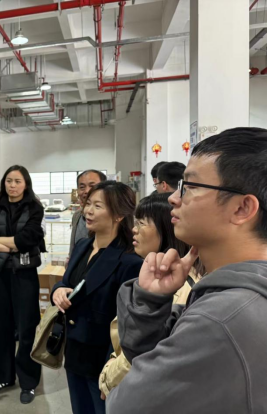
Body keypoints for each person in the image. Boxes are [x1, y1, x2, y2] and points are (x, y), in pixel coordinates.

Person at [108, 127, 267, 413]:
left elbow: (124, 406)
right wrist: (151, 301)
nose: (173, 197)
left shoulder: (222, 319)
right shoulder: (232, 297)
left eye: (190, 187)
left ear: (242, 208)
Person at [98, 193, 202, 399]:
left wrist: (108, 379)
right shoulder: (155, 276)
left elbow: (143, 353)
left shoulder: (179, 289)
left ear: (167, 228)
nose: (133, 229)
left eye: (142, 223)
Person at [51, 181, 142, 415]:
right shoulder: (82, 246)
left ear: (119, 215)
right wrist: (58, 291)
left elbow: (127, 323)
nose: (88, 211)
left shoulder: (130, 261)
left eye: (98, 206)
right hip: (74, 352)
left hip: (102, 359)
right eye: (88, 204)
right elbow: (67, 282)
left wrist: (114, 365)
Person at [0, 165, 46, 405]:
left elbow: (29, 238)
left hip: (25, 274)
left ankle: (28, 380)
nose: (12, 185)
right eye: (9, 181)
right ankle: (4, 376)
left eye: (17, 181)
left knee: (27, 327)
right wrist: (11, 245)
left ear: (25, 184)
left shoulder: (34, 207)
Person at [68, 170, 107, 266]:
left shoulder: (110, 216)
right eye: (82, 187)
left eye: (92, 186)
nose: (86, 191)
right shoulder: (77, 215)